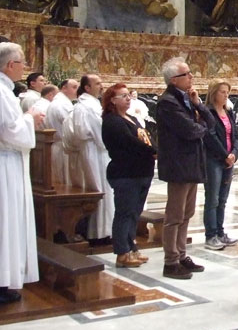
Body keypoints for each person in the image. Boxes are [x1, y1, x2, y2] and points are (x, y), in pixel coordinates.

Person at [157, 57, 216, 280]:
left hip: (191, 163)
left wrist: (199, 105)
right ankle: (170, 261)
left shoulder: (186, 99)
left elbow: (210, 124)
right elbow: (191, 130)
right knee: (175, 215)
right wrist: (199, 124)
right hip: (178, 164)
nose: (192, 77)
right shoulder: (168, 102)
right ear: (174, 80)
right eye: (187, 74)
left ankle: (181, 255)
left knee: (187, 213)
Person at [0, 42, 44, 304]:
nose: (24, 67)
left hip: (8, 160)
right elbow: (10, 131)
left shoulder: (6, 90)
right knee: (7, 219)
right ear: (9, 65)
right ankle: (3, 280)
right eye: (22, 63)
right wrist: (30, 117)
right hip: (5, 163)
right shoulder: (2, 93)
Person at [101, 84, 156, 268]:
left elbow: (145, 136)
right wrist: (154, 152)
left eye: (128, 95)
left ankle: (131, 247)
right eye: (123, 96)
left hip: (141, 171)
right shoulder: (112, 120)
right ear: (112, 100)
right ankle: (121, 252)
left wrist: (153, 150)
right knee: (124, 213)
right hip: (125, 172)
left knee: (134, 213)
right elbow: (131, 143)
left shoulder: (132, 118)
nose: (128, 98)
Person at [74, 74, 114, 243]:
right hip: (97, 152)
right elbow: (101, 134)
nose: (101, 86)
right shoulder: (90, 106)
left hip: (91, 151)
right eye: (97, 83)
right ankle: (101, 233)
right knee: (103, 190)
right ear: (87, 88)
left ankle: (100, 231)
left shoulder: (86, 104)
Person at [202, 80, 238, 250]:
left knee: (223, 199)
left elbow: (236, 137)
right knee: (213, 198)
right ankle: (211, 235)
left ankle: (220, 232)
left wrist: (234, 154)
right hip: (214, 159)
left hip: (228, 159)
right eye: (222, 92)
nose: (226, 95)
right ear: (214, 93)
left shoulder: (229, 112)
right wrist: (225, 155)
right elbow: (210, 137)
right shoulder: (208, 113)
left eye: (227, 92)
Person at [45, 78, 79, 186]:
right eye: (74, 87)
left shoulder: (60, 102)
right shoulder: (62, 104)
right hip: (63, 147)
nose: (77, 90)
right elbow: (71, 127)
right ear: (64, 88)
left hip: (59, 146)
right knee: (65, 183)